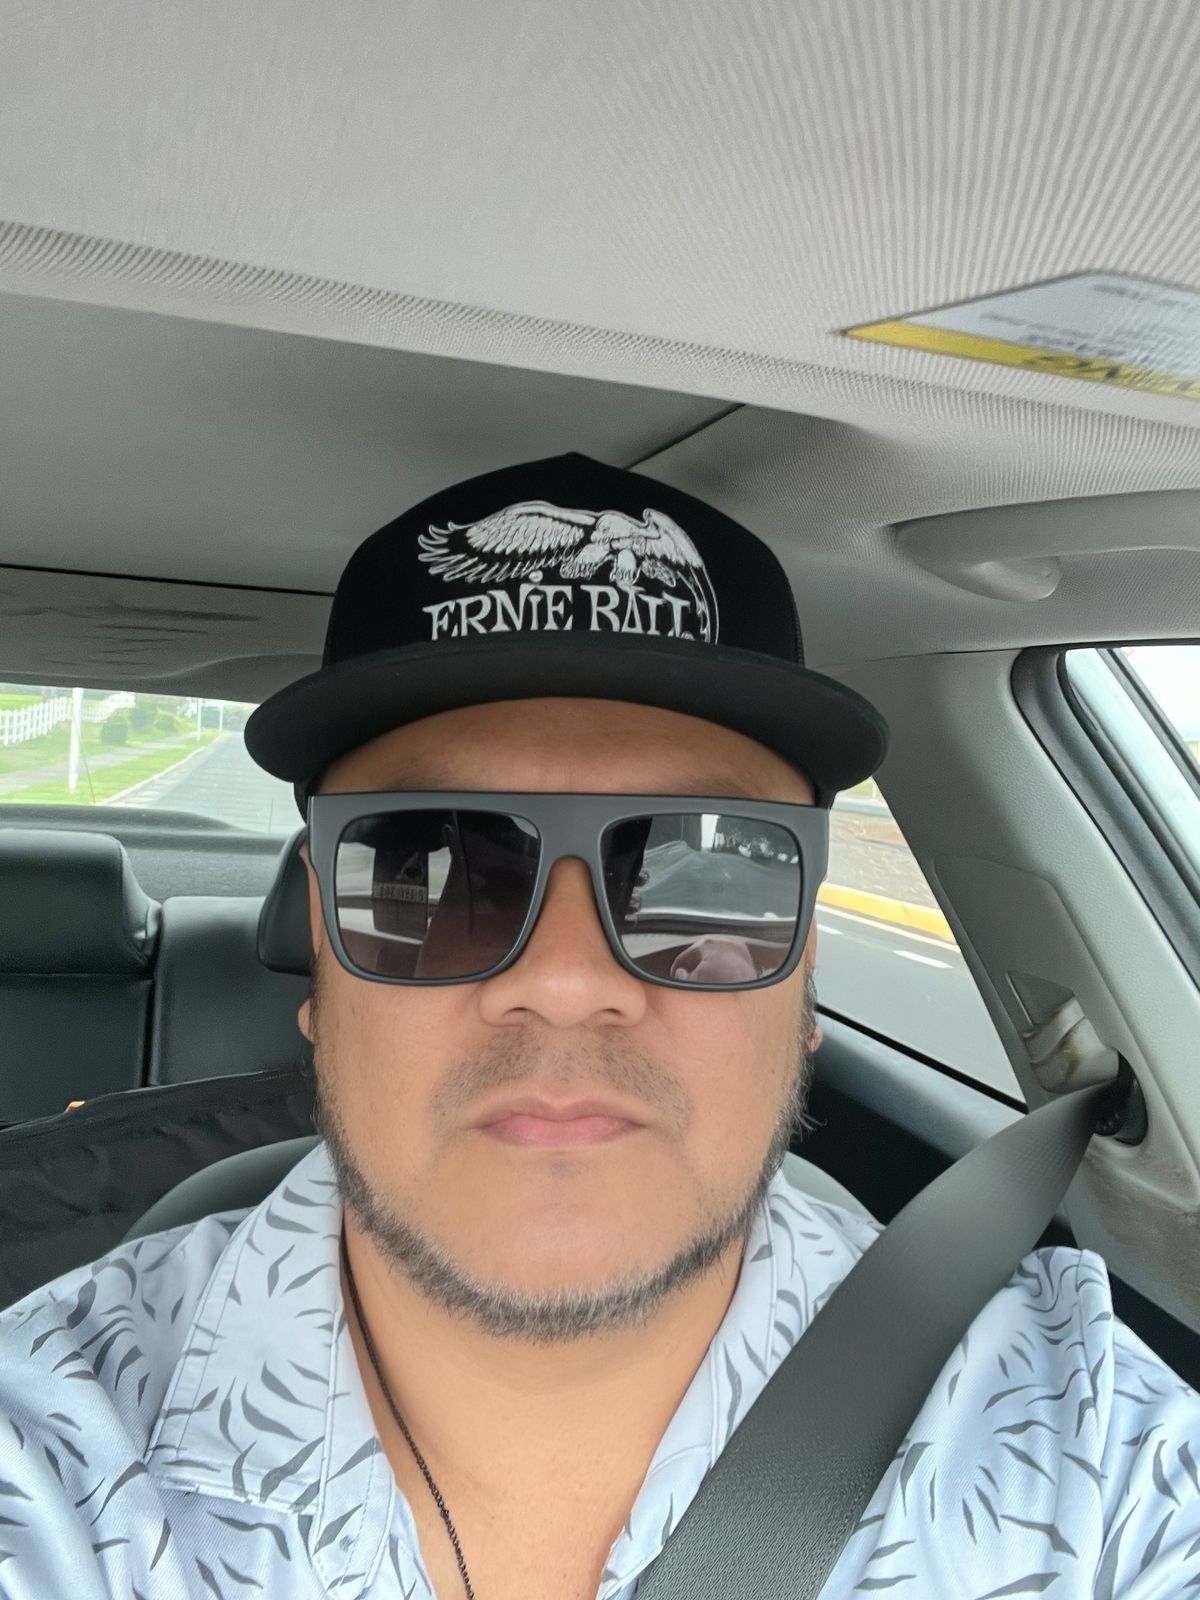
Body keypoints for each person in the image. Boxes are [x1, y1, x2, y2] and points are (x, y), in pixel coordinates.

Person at [0, 453, 1197, 1600]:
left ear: (804, 971)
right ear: (320, 948)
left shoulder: (1086, 1452)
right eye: (437, 864)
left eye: (705, 873)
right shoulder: (50, 1452)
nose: (567, 979)